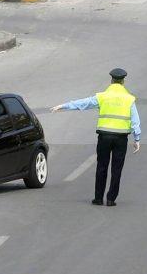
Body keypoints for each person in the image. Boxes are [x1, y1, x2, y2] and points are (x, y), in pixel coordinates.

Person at [51, 68, 141, 206]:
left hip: (104, 137)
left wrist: (63, 106)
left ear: (111, 81)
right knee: (117, 169)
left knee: (102, 166)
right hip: (121, 139)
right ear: (123, 82)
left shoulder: (102, 96)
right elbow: (135, 120)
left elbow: (83, 103)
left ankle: (98, 198)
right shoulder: (129, 99)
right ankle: (111, 199)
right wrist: (137, 139)